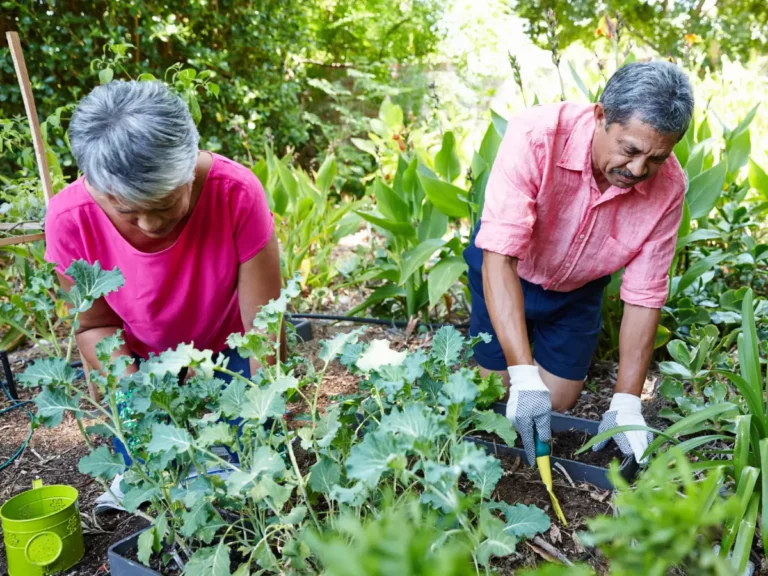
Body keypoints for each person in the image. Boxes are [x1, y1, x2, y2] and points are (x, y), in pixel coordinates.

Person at [44, 81, 282, 479]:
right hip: (136, 359)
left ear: (189, 168)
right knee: (151, 473)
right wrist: (139, 396)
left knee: (263, 453)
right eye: (127, 211)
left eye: (166, 204)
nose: (151, 224)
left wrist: (263, 409)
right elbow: (96, 325)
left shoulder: (236, 193)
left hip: (232, 344)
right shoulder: (70, 220)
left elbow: (264, 326)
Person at [464, 61, 694, 465]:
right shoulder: (535, 135)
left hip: (578, 287)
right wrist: (522, 375)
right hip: (509, 269)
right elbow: (498, 258)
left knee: (557, 400)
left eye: (656, 158)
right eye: (630, 150)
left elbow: (645, 295)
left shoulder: (668, 187)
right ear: (600, 115)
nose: (638, 170)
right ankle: (509, 368)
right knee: (495, 390)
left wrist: (627, 403)